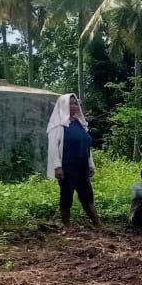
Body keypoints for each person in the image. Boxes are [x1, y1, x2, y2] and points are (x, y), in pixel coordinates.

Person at [46, 93, 101, 229]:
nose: (74, 106)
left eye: (76, 103)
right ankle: (67, 225)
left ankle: (98, 223)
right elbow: (53, 148)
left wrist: (90, 164)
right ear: (63, 105)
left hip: (81, 166)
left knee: (87, 194)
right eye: (71, 103)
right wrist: (57, 167)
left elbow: (86, 147)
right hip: (67, 166)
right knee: (66, 195)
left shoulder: (80, 124)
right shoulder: (58, 126)